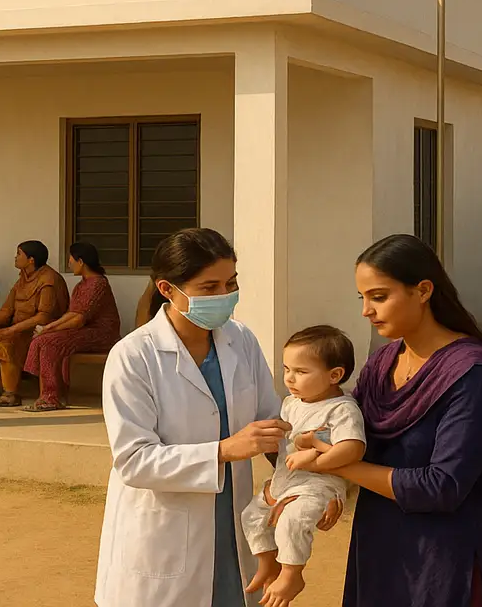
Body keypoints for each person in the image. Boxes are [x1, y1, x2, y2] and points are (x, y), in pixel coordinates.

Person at [94, 228, 341, 607]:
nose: (224, 296)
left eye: (231, 283)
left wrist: (316, 487)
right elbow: (134, 460)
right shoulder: (133, 357)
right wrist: (223, 450)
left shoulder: (240, 341)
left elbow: (276, 428)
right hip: (164, 532)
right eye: (209, 287)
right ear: (167, 289)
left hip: (233, 521)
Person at [323, 234, 482, 607]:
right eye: (363, 299)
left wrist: (342, 468)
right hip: (380, 550)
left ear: (422, 290)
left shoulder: (471, 375)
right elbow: (345, 435)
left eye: (379, 296)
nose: (366, 312)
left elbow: (442, 486)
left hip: (447, 561)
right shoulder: (381, 365)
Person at [239, 326, 365, 606]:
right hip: (287, 480)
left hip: (319, 485)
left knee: (292, 521)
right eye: (286, 369)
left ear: (335, 375)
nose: (290, 378)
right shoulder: (291, 403)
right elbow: (295, 439)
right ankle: (268, 563)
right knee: (251, 516)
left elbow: (351, 447)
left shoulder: (341, 409)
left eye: (301, 372)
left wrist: (316, 459)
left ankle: (292, 573)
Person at [0, 240, 68, 408]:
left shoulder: (49, 279)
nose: (15, 257)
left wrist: (11, 330)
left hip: (39, 333)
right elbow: (6, 311)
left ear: (31, 260)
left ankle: (10, 394)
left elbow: (43, 317)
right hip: (16, 328)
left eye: (19, 253)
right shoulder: (22, 279)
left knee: (6, 344)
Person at [22, 241, 121, 412]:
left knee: (48, 342)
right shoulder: (81, 285)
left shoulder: (98, 283)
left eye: (71, 259)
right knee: (45, 340)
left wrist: (49, 329)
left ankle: (51, 398)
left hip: (102, 334)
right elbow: (71, 314)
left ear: (81, 261)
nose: (69, 263)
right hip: (84, 331)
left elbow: (78, 319)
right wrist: (49, 328)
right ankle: (52, 395)